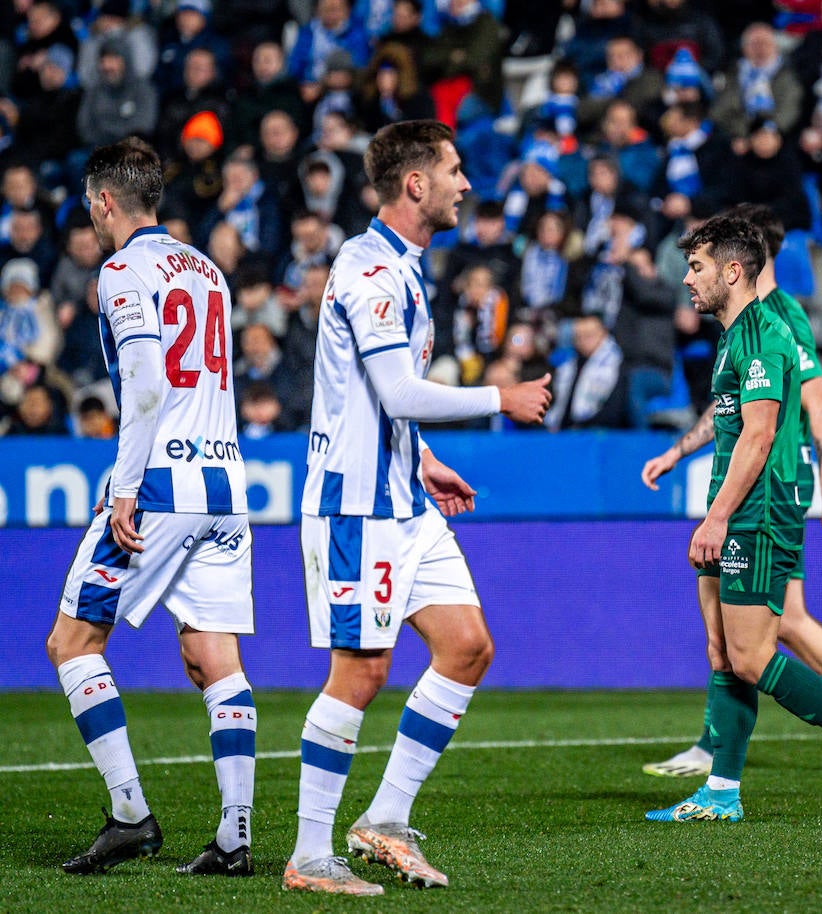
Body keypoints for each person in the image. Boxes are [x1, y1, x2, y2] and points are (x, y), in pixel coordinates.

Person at [284, 120, 552, 895]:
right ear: (415, 184)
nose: (466, 185)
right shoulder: (368, 270)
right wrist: (498, 396)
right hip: (357, 507)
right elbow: (398, 390)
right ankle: (308, 856)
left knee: (467, 646)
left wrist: (425, 460)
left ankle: (384, 818)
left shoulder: (405, 268)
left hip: (404, 499)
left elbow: (378, 400)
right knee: (362, 673)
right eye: (455, 171)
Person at [44, 137, 258, 876]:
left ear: (105, 201)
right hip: (225, 484)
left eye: (90, 203)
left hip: (161, 484)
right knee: (214, 658)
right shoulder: (207, 270)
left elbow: (143, 381)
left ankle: (131, 814)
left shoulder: (121, 271)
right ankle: (234, 838)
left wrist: (126, 486)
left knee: (72, 645)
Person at [642, 213, 822, 824]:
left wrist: (717, 518)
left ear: (733, 271)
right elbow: (729, 421)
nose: (686, 279)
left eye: (697, 266)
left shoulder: (765, 335)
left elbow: (758, 440)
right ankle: (722, 791)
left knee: (754, 655)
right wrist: (683, 458)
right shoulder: (733, 338)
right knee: (722, 653)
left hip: (758, 509)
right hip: (732, 506)